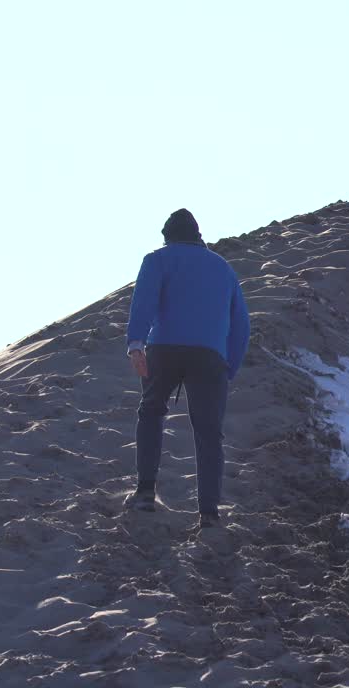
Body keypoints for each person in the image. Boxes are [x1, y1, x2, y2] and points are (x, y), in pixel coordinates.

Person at [124, 209, 250, 528]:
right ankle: (208, 512)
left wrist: (136, 342)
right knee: (208, 432)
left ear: (167, 237)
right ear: (198, 236)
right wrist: (228, 366)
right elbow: (241, 325)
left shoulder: (157, 259)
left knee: (151, 411)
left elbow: (144, 301)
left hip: (163, 348)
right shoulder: (223, 268)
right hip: (210, 356)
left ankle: (144, 493)